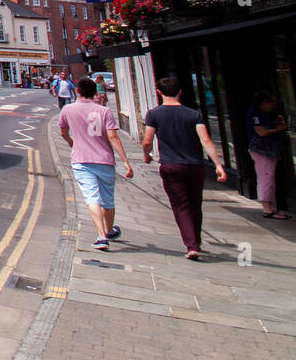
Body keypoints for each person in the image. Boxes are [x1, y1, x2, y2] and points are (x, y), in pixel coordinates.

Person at [142, 77, 228, 259]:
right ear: (180, 92)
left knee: (181, 205)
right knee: (196, 204)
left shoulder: (154, 114)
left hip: (171, 165)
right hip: (195, 166)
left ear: (159, 92)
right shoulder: (193, 114)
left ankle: (191, 245)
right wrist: (218, 165)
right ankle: (196, 240)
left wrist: (146, 155)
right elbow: (206, 140)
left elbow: (147, 140)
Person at [59, 77, 134, 250]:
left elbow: (63, 131)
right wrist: (126, 162)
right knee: (107, 200)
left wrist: (71, 142)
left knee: (92, 198)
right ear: (95, 93)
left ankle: (101, 237)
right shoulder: (104, 111)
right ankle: (109, 231)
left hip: (81, 160)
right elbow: (113, 137)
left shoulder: (67, 109)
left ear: (77, 91)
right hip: (105, 160)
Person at [246, 91, 290, 219]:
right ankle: (267, 207)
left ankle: (270, 205)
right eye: (271, 103)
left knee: (268, 175)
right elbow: (262, 132)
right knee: (266, 176)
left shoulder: (265, 114)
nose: (273, 106)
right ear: (264, 103)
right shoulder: (255, 114)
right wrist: (278, 128)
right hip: (262, 149)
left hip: (267, 149)